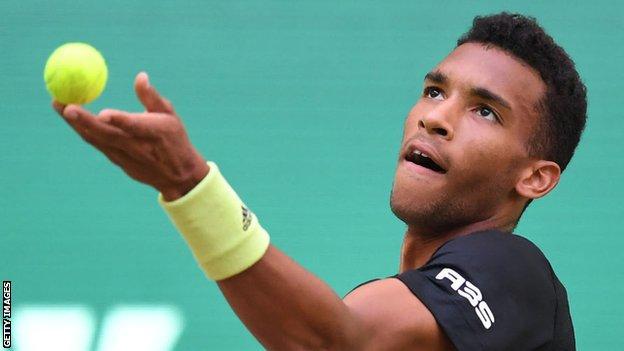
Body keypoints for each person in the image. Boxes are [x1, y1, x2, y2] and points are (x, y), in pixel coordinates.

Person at [52, 12, 585, 351]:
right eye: (434, 91)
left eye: (486, 111)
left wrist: (191, 186)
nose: (435, 117)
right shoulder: (399, 311)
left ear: (535, 178)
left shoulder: (518, 273)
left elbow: (334, 343)